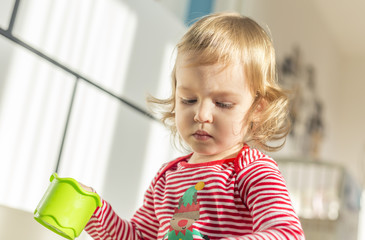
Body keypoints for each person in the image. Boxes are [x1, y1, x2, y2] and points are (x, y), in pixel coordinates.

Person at [83, 12, 305, 239]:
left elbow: (287, 234)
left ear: (257, 108)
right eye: (188, 100)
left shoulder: (252, 169)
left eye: (223, 103)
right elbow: (139, 237)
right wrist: (93, 213)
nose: (201, 114)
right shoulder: (167, 177)